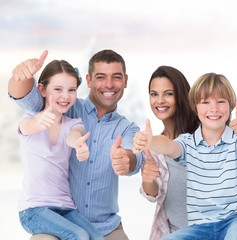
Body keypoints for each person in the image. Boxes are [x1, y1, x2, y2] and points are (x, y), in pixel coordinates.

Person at [134, 72, 237, 240]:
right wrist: (150, 140)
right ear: (195, 107)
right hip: (200, 227)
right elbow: (169, 146)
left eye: (221, 101)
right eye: (205, 102)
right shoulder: (187, 143)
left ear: (230, 107)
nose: (213, 108)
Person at [8, 49, 143, 239]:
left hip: (105, 225)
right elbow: (25, 98)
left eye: (116, 77)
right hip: (49, 217)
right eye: (101, 77)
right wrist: (22, 77)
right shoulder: (64, 107)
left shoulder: (127, 128)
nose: (109, 84)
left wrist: (126, 159)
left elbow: (134, 157)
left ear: (126, 81)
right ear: (88, 80)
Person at [14, 57, 104, 240]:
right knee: (79, 235)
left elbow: (73, 136)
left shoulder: (74, 123)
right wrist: (38, 122)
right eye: (58, 89)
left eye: (71, 90)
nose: (65, 96)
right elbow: (27, 127)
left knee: (97, 238)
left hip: (66, 208)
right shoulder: (31, 118)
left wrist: (79, 144)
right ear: (42, 90)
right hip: (34, 210)